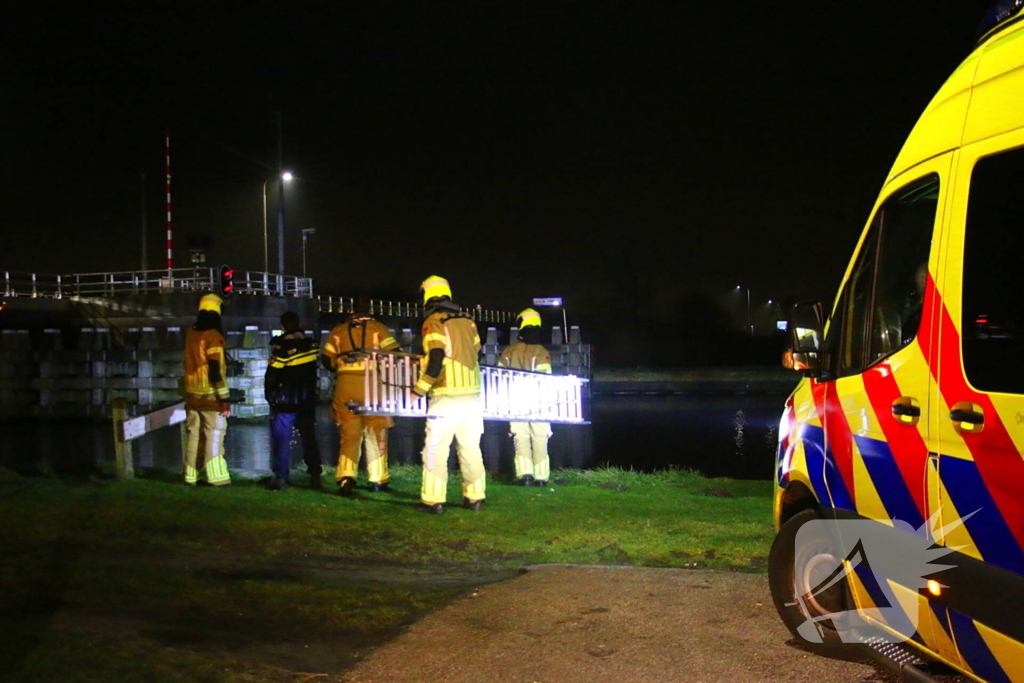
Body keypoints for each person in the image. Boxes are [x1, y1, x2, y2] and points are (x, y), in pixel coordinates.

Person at [411, 275, 486, 513]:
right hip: (472, 397)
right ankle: (475, 498)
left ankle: (433, 501)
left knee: (436, 449)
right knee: (471, 448)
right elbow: (477, 354)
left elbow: (435, 358)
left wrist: (419, 390)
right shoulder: (469, 321)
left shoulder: (434, 321)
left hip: (445, 396)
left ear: (427, 296)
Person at [321, 296, 400, 496]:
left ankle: (346, 477)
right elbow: (395, 354)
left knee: (349, 434)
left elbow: (326, 360)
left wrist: (342, 367)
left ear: (352, 309)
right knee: (376, 433)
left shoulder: (338, 331)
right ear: (369, 309)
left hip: (346, 386)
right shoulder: (378, 329)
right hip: (372, 386)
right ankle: (377, 479)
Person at [264, 311, 323, 491]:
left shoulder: (282, 349)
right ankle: (315, 476)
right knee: (309, 439)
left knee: (282, 440)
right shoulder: (312, 345)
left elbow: (272, 376)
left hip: (286, 402)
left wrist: (270, 397)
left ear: (282, 326)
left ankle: (281, 478)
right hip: (307, 400)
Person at [499, 308, 553, 486]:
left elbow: (499, 375)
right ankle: (542, 477)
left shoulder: (509, 351)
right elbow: (546, 378)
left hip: (514, 399)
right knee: (540, 436)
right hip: (538, 401)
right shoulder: (541, 351)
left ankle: (524, 475)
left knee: (520, 436)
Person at [181, 293, 232, 486]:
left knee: (194, 435)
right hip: (210, 395)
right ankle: (217, 477)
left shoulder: (191, 333)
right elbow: (215, 370)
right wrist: (224, 399)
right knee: (215, 434)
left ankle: (191, 476)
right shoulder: (213, 336)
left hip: (192, 394)